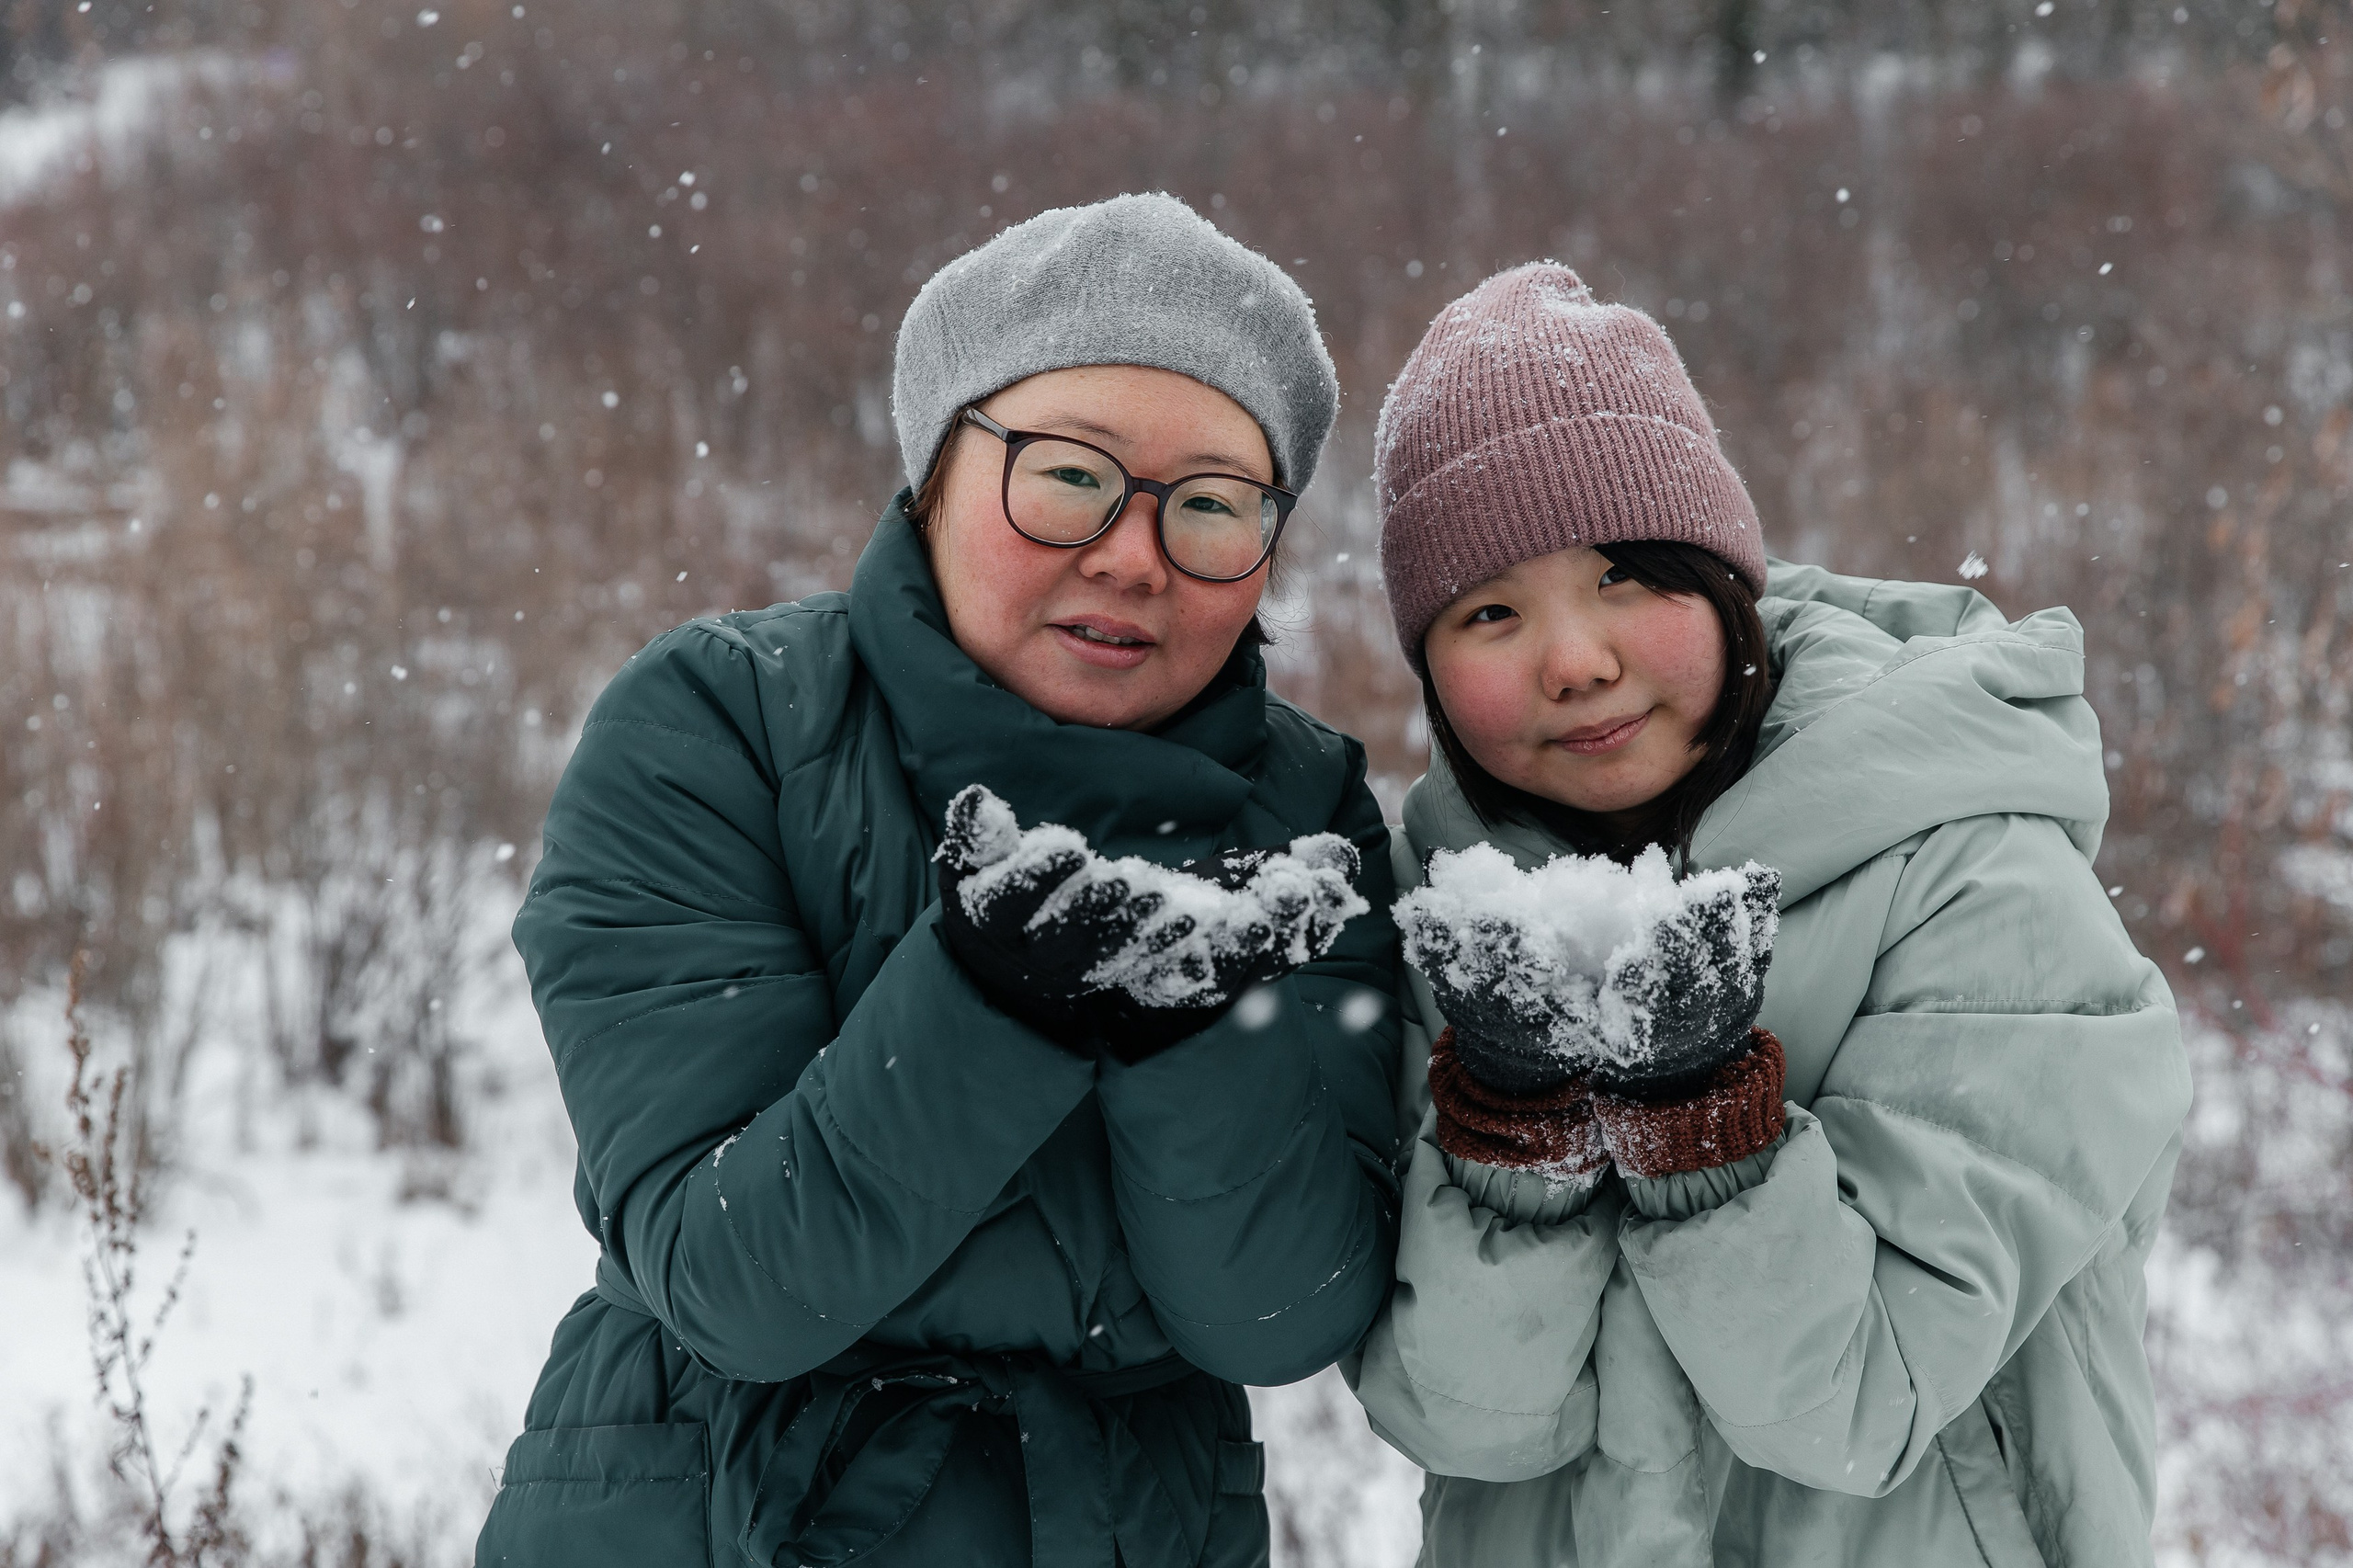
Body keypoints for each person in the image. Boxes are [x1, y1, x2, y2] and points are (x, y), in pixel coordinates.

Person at [475, 193, 1404, 1568]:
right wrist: (995, 1001)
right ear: (934, 476)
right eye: (1072, 474)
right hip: (713, 1516)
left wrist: (1183, 1028)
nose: (1135, 553)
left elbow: (1277, 1316)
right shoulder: (718, 728)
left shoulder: (1302, 812)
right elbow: (739, 1281)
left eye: (1212, 506)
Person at [1345, 262, 2190, 1568]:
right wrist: (1514, 1139)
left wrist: (1704, 1133)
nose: (1574, 659)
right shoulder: (1449, 923)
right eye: (1492, 612)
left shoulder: (1975, 871)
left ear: (1722, 576)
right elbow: (1462, 1418)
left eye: (1625, 576)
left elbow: (1856, 1400)